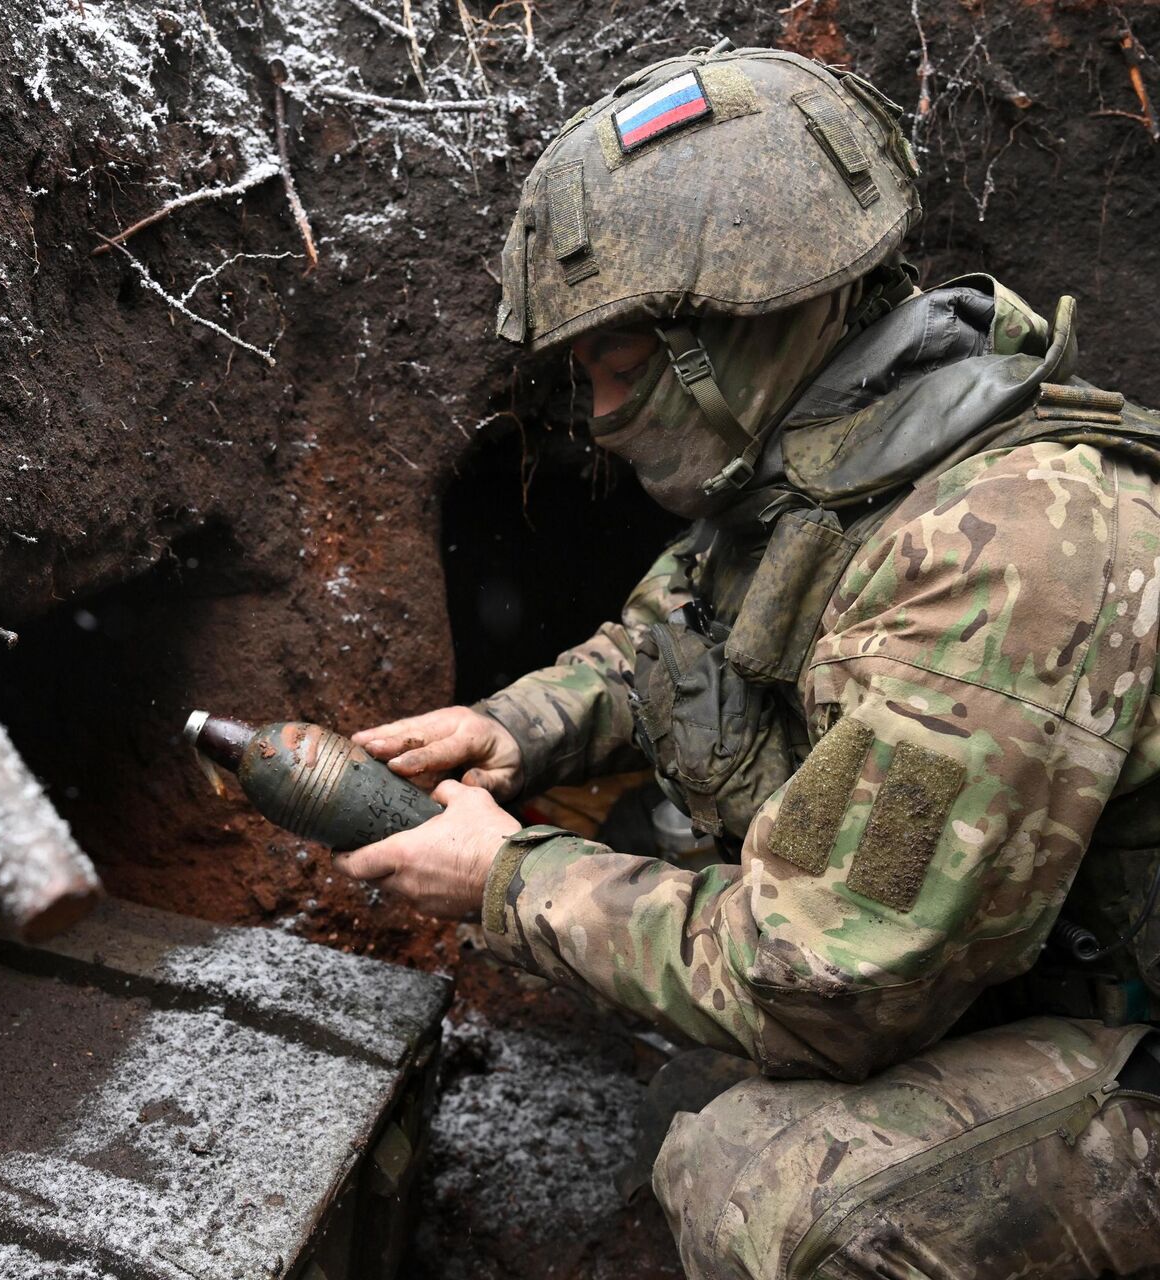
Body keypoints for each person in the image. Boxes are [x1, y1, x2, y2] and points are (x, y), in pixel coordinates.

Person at [338, 43, 1160, 1279]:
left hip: (1135, 1036)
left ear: (725, 340)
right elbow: (660, 645)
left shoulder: (1011, 551)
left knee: (776, 1186)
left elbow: (823, 981)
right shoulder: (816, 468)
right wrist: (512, 728)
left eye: (615, 369)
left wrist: (509, 879)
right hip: (1029, 974)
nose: (599, 413)